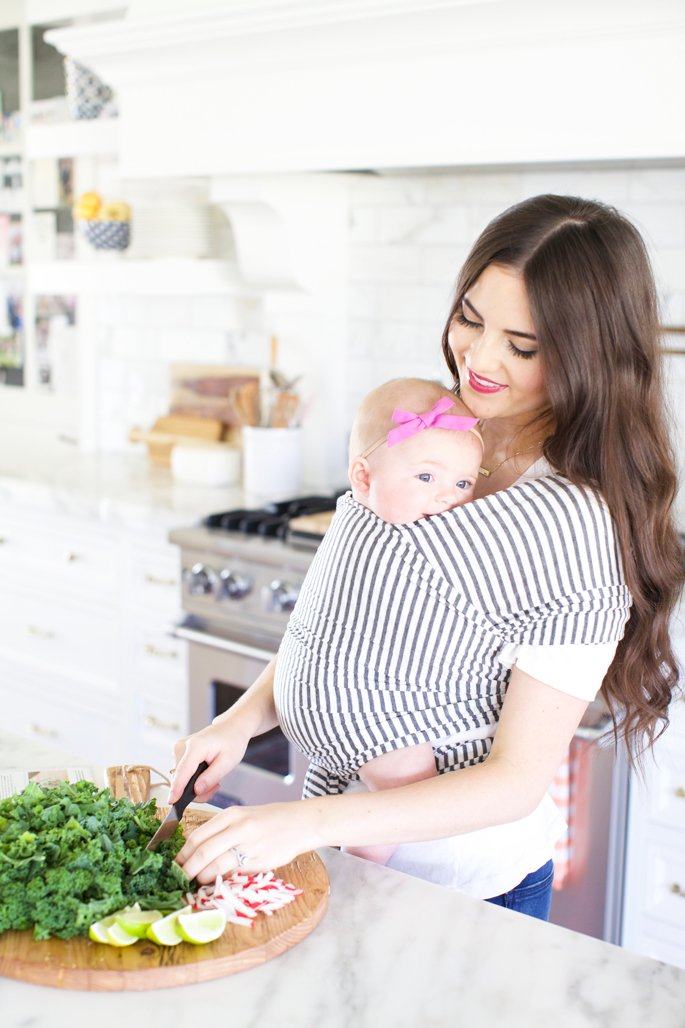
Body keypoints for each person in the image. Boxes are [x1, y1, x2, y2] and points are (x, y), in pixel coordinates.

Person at [171, 194, 683, 921]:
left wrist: (302, 823)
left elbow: (513, 781)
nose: (478, 359)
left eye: (522, 346)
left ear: (586, 355)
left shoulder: (568, 520)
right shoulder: (429, 433)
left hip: (470, 886)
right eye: (470, 319)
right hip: (343, 855)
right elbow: (346, 621)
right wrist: (242, 720)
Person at [276, 376, 484, 865]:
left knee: (332, 805)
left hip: (314, 706)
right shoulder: (422, 543)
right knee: (398, 800)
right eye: (426, 478)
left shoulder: (351, 516)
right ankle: (358, 878)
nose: (447, 499)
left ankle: (325, 865)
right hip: (367, 711)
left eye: (463, 483)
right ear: (364, 478)